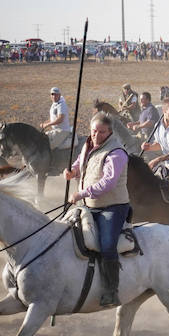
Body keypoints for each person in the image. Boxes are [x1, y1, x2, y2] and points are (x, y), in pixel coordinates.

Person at [64, 113, 130, 307]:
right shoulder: (88, 145)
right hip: (89, 206)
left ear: (110, 132)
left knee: (107, 244)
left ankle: (111, 291)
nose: (97, 135)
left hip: (113, 207)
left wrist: (81, 193)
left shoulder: (116, 152)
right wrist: (73, 171)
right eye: (94, 131)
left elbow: (108, 183)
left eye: (102, 132)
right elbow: (80, 162)